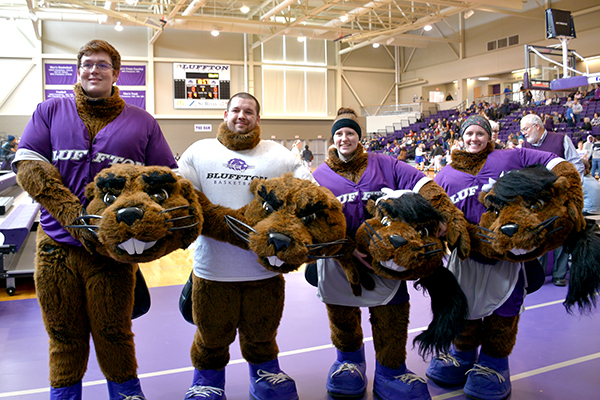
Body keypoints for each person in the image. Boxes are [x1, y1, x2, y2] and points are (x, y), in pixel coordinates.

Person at [13, 39, 177, 400]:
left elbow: (165, 180)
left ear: (116, 74)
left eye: (102, 65)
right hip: (56, 246)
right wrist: (76, 219)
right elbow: (29, 168)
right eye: (87, 64)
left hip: (112, 254)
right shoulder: (49, 111)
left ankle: (126, 392)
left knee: (114, 330)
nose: (93, 70)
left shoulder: (143, 122)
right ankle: (65, 393)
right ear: (78, 69)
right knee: (63, 332)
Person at [311, 107, 468, 400]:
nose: (345, 138)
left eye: (351, 133)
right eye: (340, 134)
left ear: (359, 137)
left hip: (387, 259)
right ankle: (349, 363)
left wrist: (445, 214)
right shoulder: (319, 175)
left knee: (391, 316)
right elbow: (311, 224)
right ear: (333, 139)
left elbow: (424, 184)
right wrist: (345, 250)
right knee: (342, 316)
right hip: (339, 262)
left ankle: (390, 370)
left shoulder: (386, 164)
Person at [426, 115, 580, 400]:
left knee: (504, 312)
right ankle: (463, 355)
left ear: (489, 136)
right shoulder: (446, 175)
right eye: (469, 134)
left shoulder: (510, 157)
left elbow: (551, 160)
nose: (474, 139)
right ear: (461, 137)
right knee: (464, 309)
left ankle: (495, 364)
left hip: (506, 257)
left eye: (480, 134)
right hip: (466, 256)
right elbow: (437, 214)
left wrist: (569, 179)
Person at [178, 92, 313, 400]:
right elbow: (183, 196)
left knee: (262, 333)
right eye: (236, 110)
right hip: (213, 271)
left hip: (263, 272)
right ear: (225, 114)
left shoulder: (278, 155)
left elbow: (309, 193)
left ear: (258, 118)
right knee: (211, 335)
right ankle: (207, 381)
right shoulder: (199, 151)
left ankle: (265, 375)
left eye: (248, 111)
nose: (241, 115)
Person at [520, 113, 584, 286]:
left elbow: (576, 165)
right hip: (537, 201)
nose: (523, 133)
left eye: (525, 129)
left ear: (537, 126)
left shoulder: (561, 140)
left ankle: (559, 274)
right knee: (538, 237)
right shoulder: (525, 145)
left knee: (561, 236)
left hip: (561, 198)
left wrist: (571, 189)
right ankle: (538, 277)